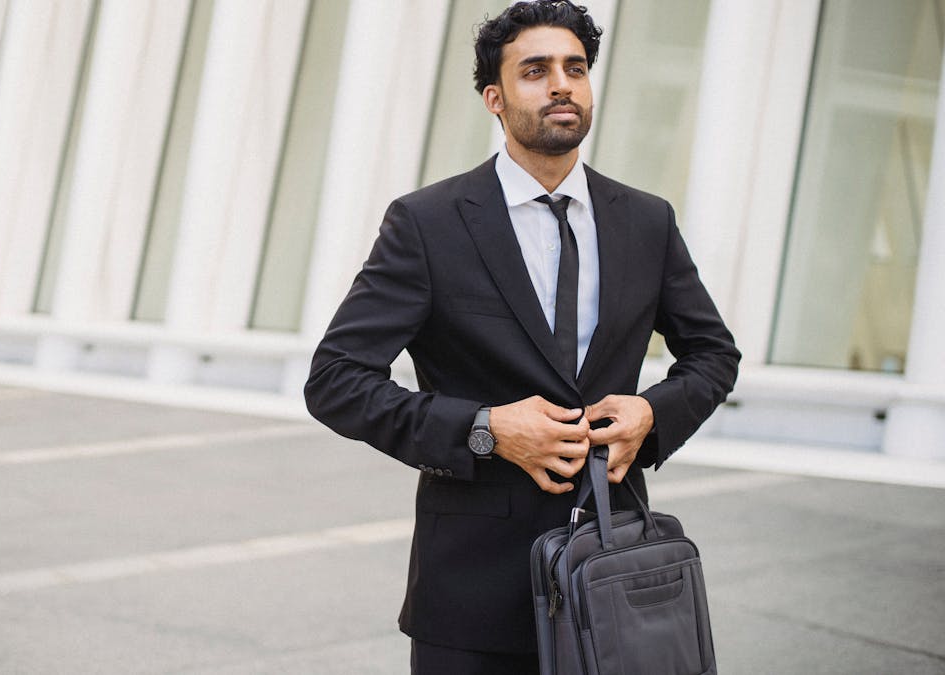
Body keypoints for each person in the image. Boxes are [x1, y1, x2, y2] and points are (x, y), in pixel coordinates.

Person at [304, 1, 741, 672]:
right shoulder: (429, 224)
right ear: (495, 99)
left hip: (613, 575)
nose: (561, 84)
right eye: (535, 70)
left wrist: (652, 412)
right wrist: (485, 428)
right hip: (472, 599)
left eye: (575, 68)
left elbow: (714, 353)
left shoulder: (646, 221)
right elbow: (335, 380)